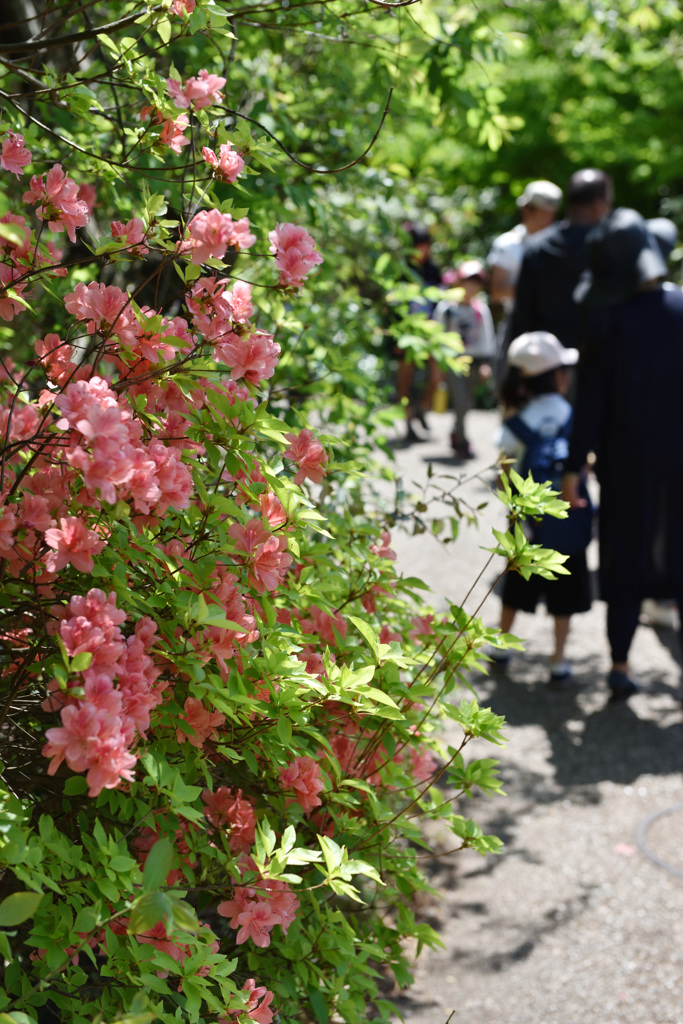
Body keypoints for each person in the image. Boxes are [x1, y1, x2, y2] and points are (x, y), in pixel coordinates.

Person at [564, 207, 683, 700]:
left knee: (624, 554)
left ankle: (620, 663)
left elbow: (589, 402)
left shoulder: (607, 320)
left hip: (624, 460)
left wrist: (573, 466)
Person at [491, 331, 592, 687]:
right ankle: (558, 660)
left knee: (516, 586)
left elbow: (504, 475)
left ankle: (501, 646)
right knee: (565, 592)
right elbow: (583, 466)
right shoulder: (571, 415)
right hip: (566, 520)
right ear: (557, 376)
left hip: (526, 523)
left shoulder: (518, 420)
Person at [507, 169, 613, 352]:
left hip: (545, 362)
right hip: (598, 359)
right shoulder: (611, 250)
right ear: (599, 205)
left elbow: (522, 316)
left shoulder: (537, 248)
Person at [434, 260, 496, 458]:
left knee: (467, 402)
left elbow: (488, 338)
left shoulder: (481, 309)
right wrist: (436, 367)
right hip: (453, 361)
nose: (471, 287)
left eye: (475, 283)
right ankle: (462, 440)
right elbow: (435, 338)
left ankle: (456, 432)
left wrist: (487, 364)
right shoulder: (445, 308)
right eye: (467, 281)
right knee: (461, 401)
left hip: (475, 361)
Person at [394, 224, 443, 443]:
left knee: (436, 375)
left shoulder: (434, 270)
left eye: (426, 246)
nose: (423, 251)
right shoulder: (401, 271)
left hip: (431, 333)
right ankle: (407, 418)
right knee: (405, 377)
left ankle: (423, 409)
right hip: (406, 334)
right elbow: (393, 304)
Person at [488, 180, 563, 315]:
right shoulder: (507, 243)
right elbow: (497, 292)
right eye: (543, 212)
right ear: (526, 209)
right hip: (519, 321)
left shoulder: (563, 242)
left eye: (551, 213)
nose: (548, 218)